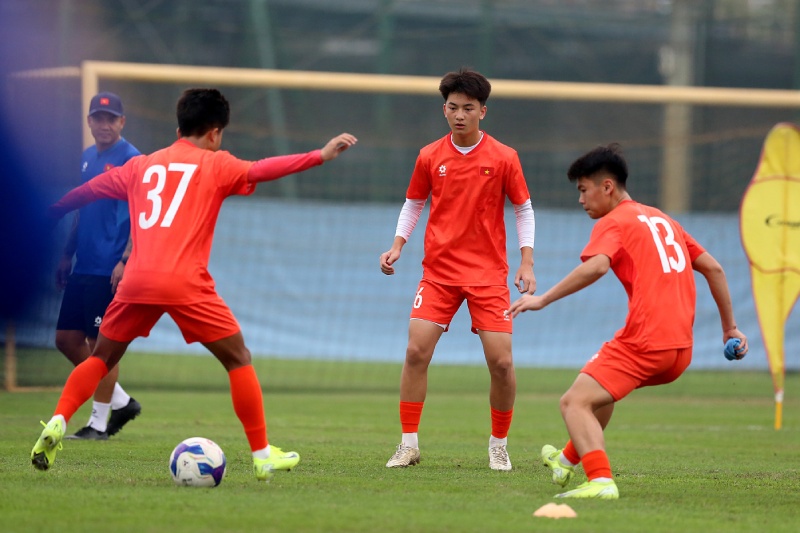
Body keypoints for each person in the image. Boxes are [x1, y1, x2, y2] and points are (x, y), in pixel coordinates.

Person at [31, 88, 358, 482]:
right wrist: (319, 155)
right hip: (185, 282)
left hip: (136, 281)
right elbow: (262, 169)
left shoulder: (140, 165)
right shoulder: (216, 164)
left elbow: (88, 192)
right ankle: (261, 455)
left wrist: (50, 213)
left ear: (178, 128)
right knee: (238, 359)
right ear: (215, 132)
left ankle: (58, 420)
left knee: (100, 358)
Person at [507, 143, 748, 499]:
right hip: (680, 350)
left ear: (607, 186)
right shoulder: (663, 220)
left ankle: (601, 480)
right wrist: (730, 328)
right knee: (600, 392)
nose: (581, 200)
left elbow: (597, 266)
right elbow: (714, 268)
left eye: (583, 190)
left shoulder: (615, 221)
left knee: (573, 402)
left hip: (646, 341)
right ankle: (565, 460)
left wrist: (543, 299)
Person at [379, 68, 536, 471]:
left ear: (483, 111)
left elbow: (523, 208)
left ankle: (499, 444)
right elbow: (414, 202)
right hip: (439, 274)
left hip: (488, 276)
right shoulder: (430, 155)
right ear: (444, 110)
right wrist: (398, 245)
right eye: (453, 107)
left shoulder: (504, 157)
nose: (460, 115)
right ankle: (408, 444)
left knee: (502, 363)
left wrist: (527, 261)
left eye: (468, 108)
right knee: (415, 351)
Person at [55, 92, 142, 440]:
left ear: (122, 122)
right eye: (98, 118)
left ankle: (98, 424)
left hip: (109, 266)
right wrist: (67, 253)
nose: (104, 124)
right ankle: (121, 402)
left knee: (100, 345)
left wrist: (125, 259)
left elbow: (141, 215)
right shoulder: (87, 157)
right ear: (90, 121)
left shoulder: (133, 160)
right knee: (66, 339)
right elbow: (82, 210)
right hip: (84, 264)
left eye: (111, 118)